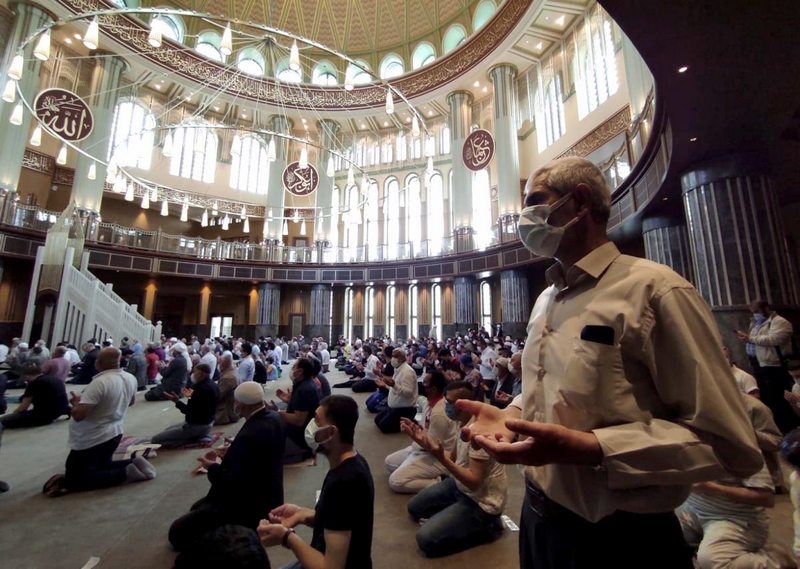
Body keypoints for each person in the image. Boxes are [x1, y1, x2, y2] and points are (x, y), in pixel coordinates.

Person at [459, 157, 763, 569]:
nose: (524, 217)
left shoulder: (655, 291)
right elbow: (552, 390)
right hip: (539, 521)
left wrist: (595, 448)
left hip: (621, 539)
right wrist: (510, 414)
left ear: (579, 202)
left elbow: (730, 444)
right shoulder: (545, 300)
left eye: (536, 201)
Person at [258, 395, 374, 569]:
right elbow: (340, 519)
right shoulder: (352, 461)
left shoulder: (344, 482)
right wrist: (300, 513)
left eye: (317, 421)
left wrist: (286, 537)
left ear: (331, 432)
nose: (311, 426)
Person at [168, 382, 284, 551]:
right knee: (197, 507)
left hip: (248, 505)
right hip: (269, 495)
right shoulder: (273, 417)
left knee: (177, 533)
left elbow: (234, 482)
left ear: (241, 405)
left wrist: (212, 467)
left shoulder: (251, 434)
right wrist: (232, 452)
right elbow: (258, 456)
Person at [406, 381, 506, 557]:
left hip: (481, 502)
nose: (447, 406)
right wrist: (425, 443)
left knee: (426, 540)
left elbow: (474, 482)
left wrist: (439, 457)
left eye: (451, 403)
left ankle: (489, 527)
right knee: (415, 508)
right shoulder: (462, 422)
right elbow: (451, 457)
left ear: (466, 404)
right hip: (460, 486)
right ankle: (456, 515)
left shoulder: (480, 433)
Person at [43, 347, 155, 496]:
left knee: (75, 479)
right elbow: (131, 402)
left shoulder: (99, 383)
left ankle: (125, 473)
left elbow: (79, 415)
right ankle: (133, 463)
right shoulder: (129, 378)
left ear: (99, 363)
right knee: (102, 465)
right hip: (115, 432)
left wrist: (76, 402)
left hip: (93, 436)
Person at [385, 370, 457, 493]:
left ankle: (441, 482)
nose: (421, 386)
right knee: (390, 462)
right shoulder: (430, 403)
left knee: (395, 481)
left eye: (424, 384)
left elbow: (433, 447)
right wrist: (414, 426)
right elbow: (426, 429)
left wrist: (412, 433)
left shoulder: (440, 412)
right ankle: (415, 468)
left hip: (439, 457)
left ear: (433, 389)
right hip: (421, 448)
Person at [736, 299, 799, 433]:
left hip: (773, 365)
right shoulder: (755, 323)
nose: (755, 315)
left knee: (779, 398)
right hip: (758, 364)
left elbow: (773, 339)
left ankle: (787, 427)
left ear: (766, 309)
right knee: (767, 398)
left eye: (757, 312)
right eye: (753, 313)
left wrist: (750, 339)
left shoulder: (780, 322)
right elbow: (753, 340)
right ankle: (775, 425)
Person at [151, 363, 218, 448]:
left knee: (156, 440)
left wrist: (176, 401)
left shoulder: (201, 389)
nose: (193, 375)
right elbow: (199, 405)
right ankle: (196, 436)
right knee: (167, 430)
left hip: (197, 426)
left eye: (195, 372)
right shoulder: (213, 385)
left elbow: (189, 411)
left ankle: (193, 439)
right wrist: (190, 397)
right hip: (207, 423)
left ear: (203, 374)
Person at [271, 357, 320, 464]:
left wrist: (276, 413)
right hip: (297, 433)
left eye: (294, 367)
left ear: (300, 371)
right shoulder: (304, 384)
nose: (292, 369)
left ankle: (299, 452)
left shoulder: (305, 389)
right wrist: (288, 401)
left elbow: (298, 420)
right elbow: (300, 408)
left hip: (298, 439)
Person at [0, 361, 70, 428]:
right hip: (60, 410)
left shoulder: (34, 383)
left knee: (3, 420)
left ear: (27, 375)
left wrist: (14, 414)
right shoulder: (56, 379)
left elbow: (23, 407)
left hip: (42, 417)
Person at [374, 348, 419, 434]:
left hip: (406, 408)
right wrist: (385, 385)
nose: (392, 359)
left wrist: (393, 385)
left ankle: (411, 423)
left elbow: (408, 393)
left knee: (384, 426)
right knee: (377, 420)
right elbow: (394, 387)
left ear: (402, 358)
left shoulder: (407, 371)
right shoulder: (398, 368)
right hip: (394, 407)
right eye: (392, 356)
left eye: (395, 356)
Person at [215, 352, 239, 426]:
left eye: (219, 363)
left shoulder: (227, 378)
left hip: (225, 413)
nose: (218, 365)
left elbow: (218, 396)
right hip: (231, 407)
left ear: (224, 364)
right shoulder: (232, 372)